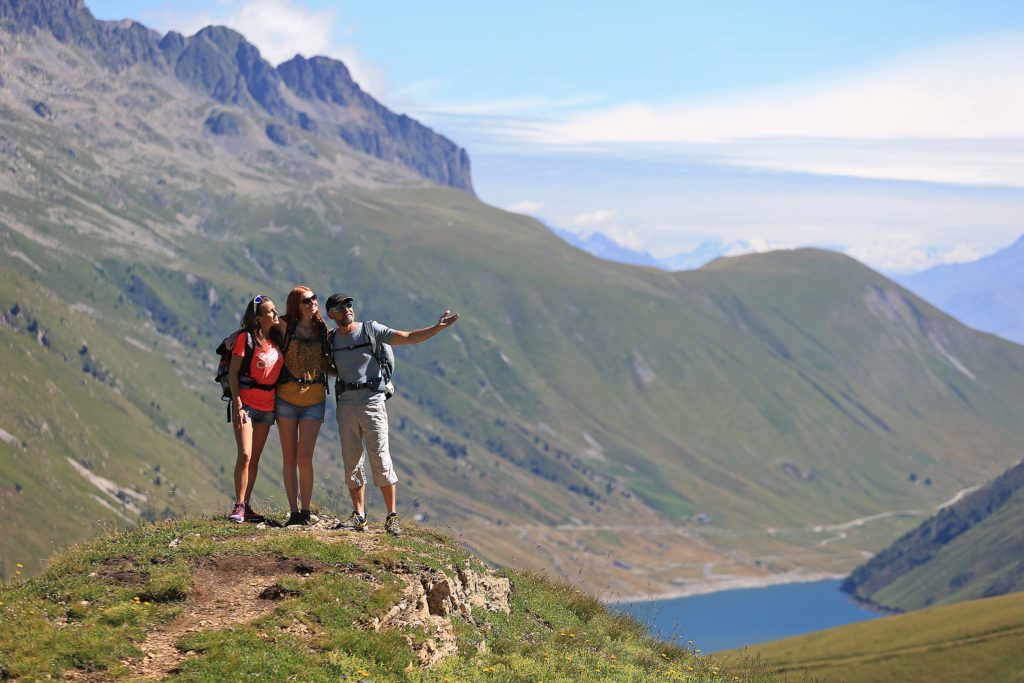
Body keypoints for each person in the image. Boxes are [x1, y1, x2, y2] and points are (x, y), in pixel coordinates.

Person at [324, 292, 459, 537]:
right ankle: (359, 516)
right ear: (331, 314)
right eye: (342, 307)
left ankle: (391, 516)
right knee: (351, 461)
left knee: (380, 458)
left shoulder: (371, 330)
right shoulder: (331, 339)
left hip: (373, 403)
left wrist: (436, 328)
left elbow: (407, 337)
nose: (348, 309)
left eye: (350, 305)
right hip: (345, 405)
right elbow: (328, 366)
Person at [275, 286, 331, 526]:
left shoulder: (322, 329)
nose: (313, 303)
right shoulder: (283, 325)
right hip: (286, 398)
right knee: (289, 457)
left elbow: (328, 362)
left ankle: (306, 511)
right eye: (307, 300)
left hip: (314, 399)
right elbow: (258, 316)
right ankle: (294, 512)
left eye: (314, 298)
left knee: (304, 458)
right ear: (296, 304)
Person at [227, 295, 284, 523]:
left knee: (256, 458)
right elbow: (233, 373)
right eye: (270, 311)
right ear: (258, 318)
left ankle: (247, 506)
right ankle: (239, 505)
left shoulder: (276, 338)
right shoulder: (245, 339)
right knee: (245, 454)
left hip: (268, 407)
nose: (274, 313)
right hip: (247, 405)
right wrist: (238, 405)